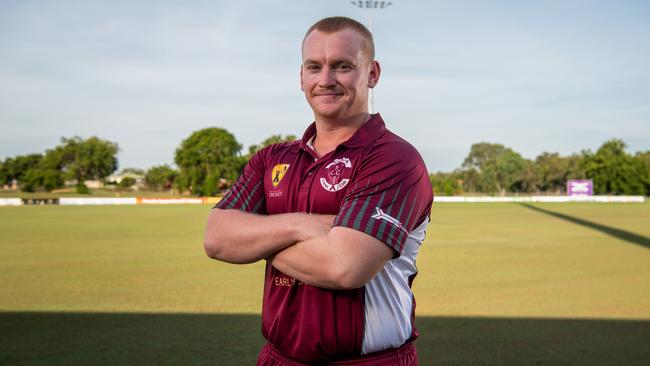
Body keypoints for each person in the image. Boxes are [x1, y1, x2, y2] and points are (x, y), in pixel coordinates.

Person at [204, 16, 433, 365]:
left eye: (342, 66)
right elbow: (217, 238)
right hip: (278, 358)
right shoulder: (272, 158)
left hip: (368, 361)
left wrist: (256, 240)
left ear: (372, 74)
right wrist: (302, 226)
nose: (326, 80)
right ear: (301, 77)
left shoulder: (394, 157)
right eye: (315, 66)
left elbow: (344, 267)